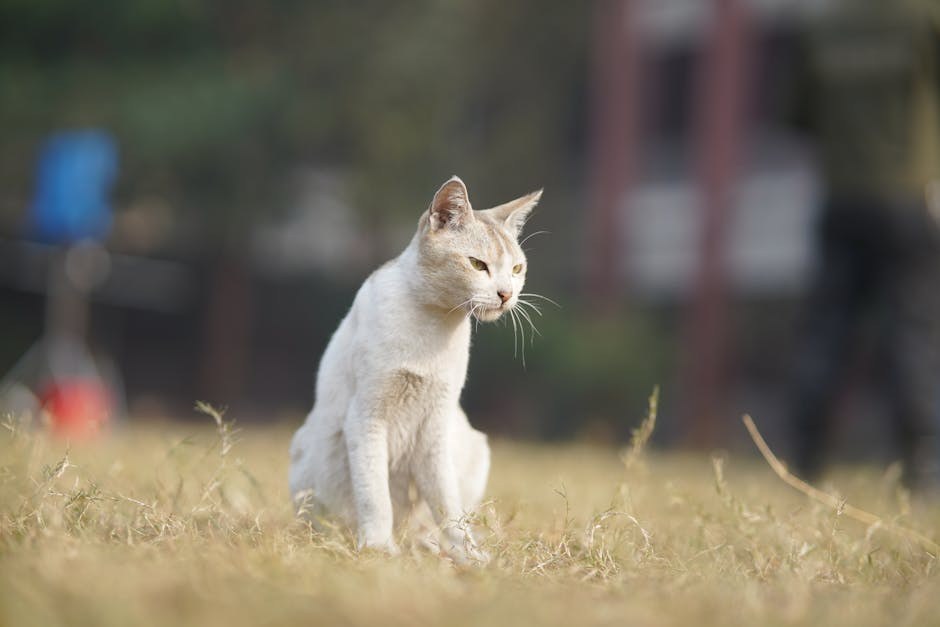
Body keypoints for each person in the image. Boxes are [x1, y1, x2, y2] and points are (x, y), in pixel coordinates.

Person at [789, 0, 940, 488]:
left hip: (841, 198)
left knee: (826, 336)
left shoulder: (822, 28)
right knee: (912, 337)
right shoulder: (924, 19)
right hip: (909, 195)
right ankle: (921, 470)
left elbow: (796, 115)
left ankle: (805, 464)